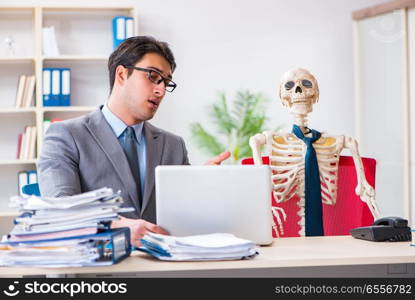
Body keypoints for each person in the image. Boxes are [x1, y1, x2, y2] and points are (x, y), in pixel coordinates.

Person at [38, 36, 230, 247]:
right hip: (101, 269)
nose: (161, 90)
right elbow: (60, 209)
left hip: (164, 269)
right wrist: (116, 225)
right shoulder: (66, 136)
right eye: (153, 76)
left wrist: (204, 185)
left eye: (166, 82)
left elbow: (185, 214)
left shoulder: (173, 145)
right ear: (121, 74)